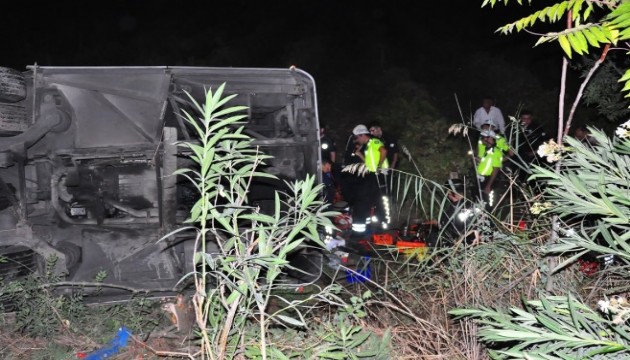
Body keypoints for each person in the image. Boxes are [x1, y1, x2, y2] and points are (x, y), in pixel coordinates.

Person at [350, 124, 390, 234]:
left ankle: (382, 224)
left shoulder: (374, 142)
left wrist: (379, 166)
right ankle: (370, 224)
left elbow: (384, 151)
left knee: (379, 200)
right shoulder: (367, 146)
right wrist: (359, 155)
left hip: (379, 174)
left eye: (357, 137)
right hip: (371, 174)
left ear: (362, 135)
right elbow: (368, 162)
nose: (357, 140)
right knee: (368, 199)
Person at [476, 130, 503, 207]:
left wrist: (489, 185)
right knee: (480, 201)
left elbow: (496, 169)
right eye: (483, 137)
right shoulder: (487, 150)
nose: (483, 139)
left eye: (485, 137)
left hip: (489, 180)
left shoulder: (496, 152)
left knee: (488, 204)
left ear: (491, 139)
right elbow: (487, 163)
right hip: (482, 179)